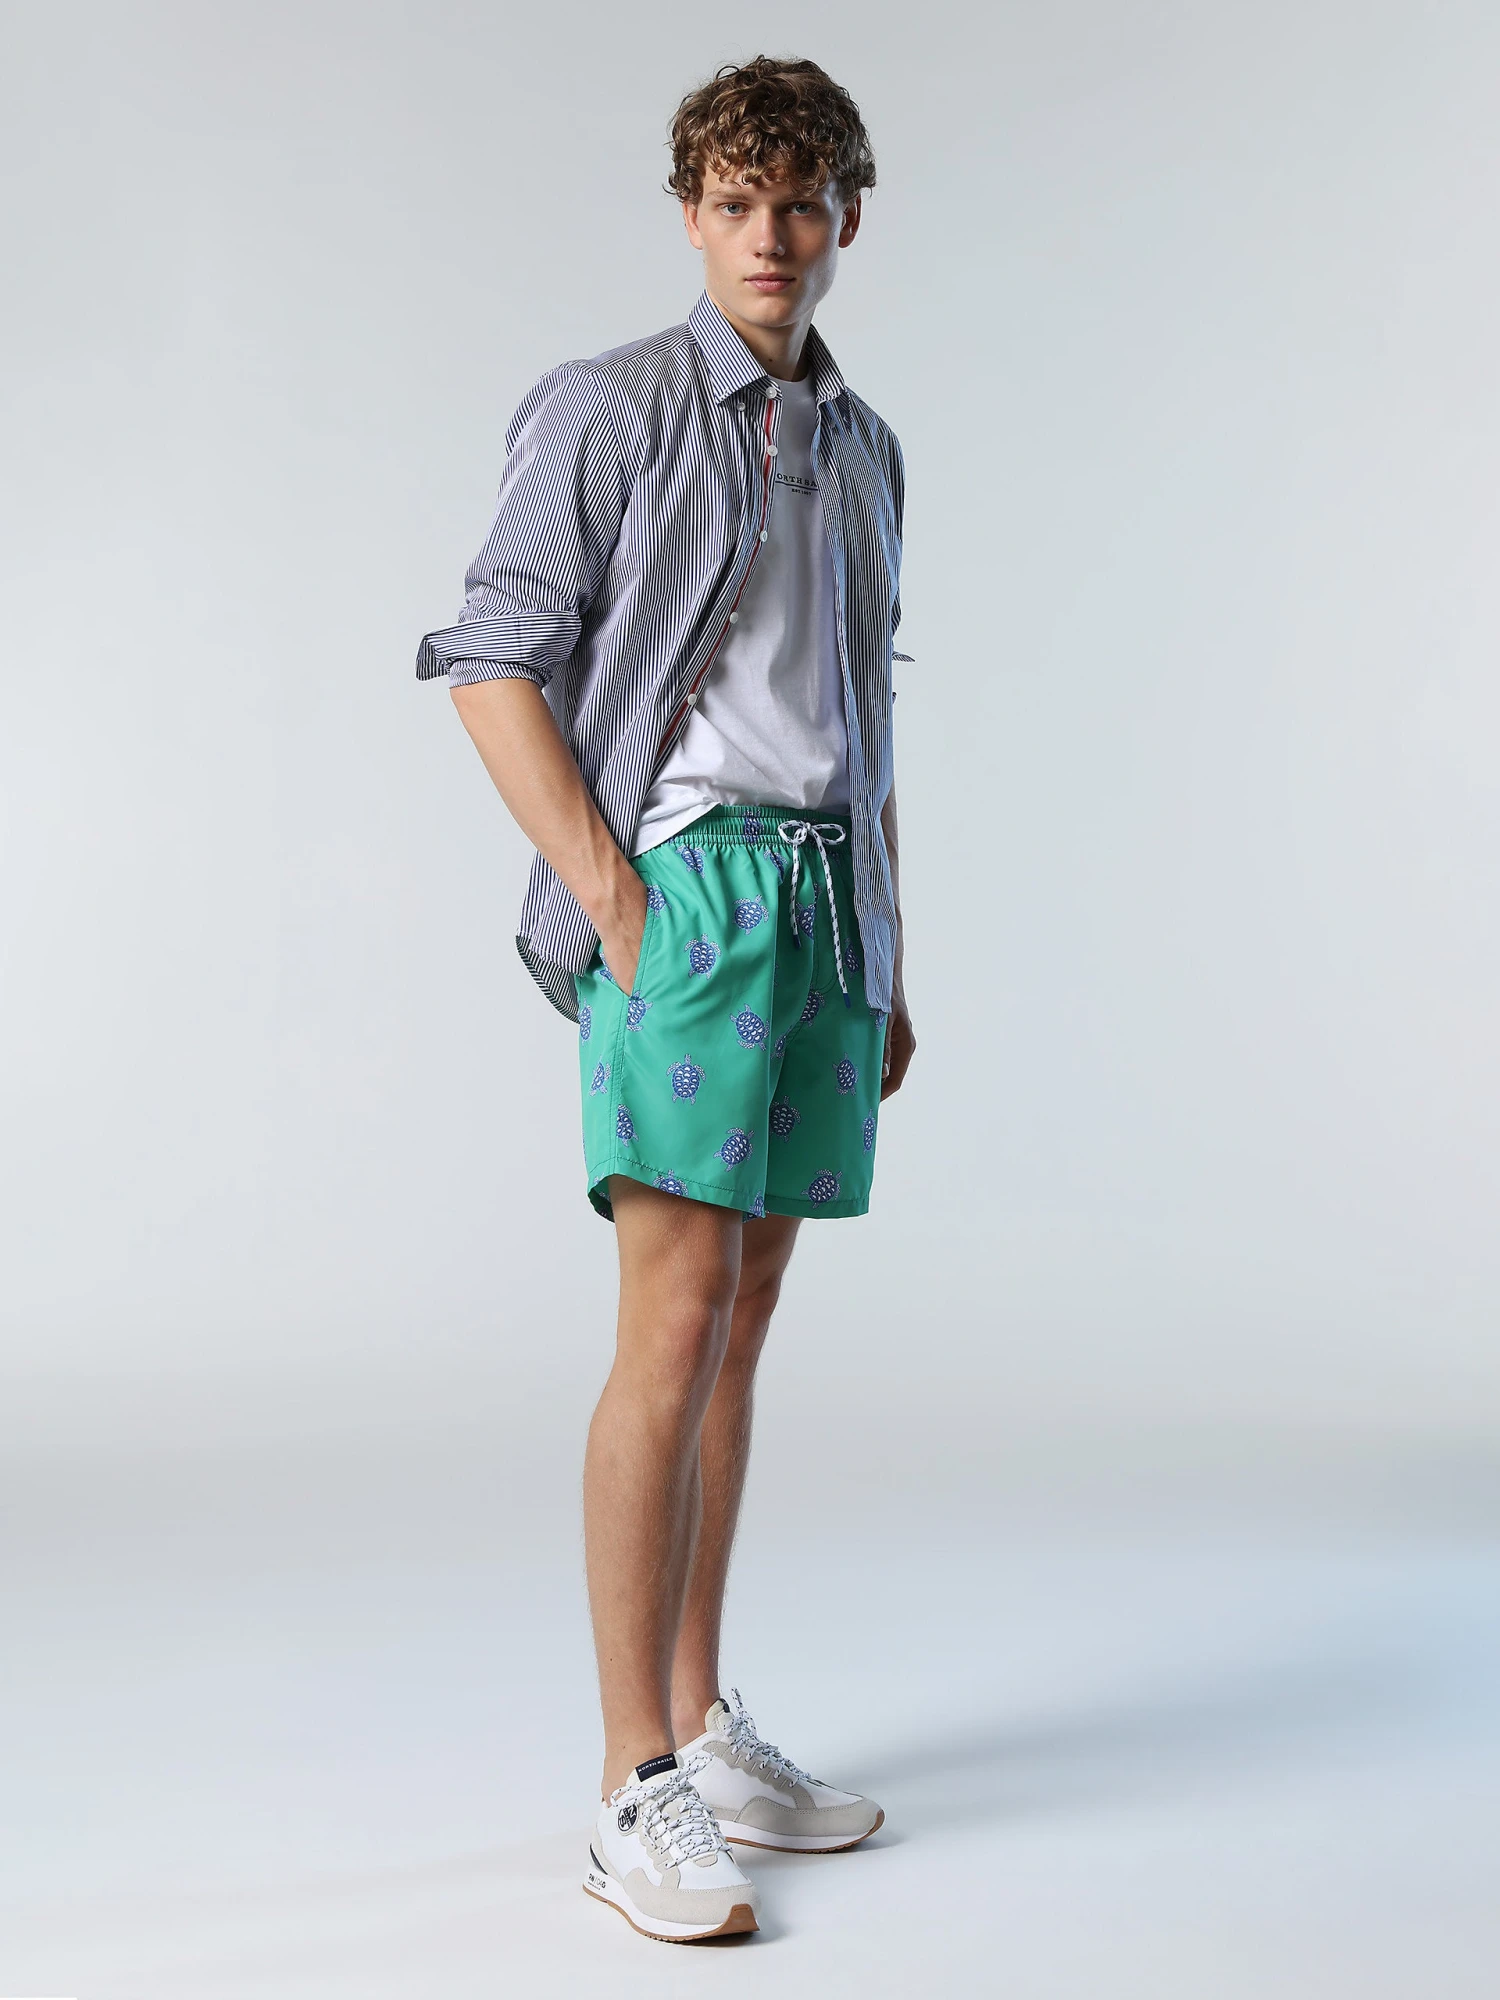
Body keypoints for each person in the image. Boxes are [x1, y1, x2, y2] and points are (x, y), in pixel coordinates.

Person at [415, 54, 915, 1944]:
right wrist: (619, 901)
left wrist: (887, 950)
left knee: (746, 1318)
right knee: (676, 1314)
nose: (769, 235)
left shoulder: (865, 447)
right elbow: (489, 657)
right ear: (691, 215)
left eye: (800, 202)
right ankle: (634, 1782)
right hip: (690, 896)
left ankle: (700, 1723)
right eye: (733, 201)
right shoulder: (611, 408)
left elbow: (860, 718)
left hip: (822, 902)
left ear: (848, 217)